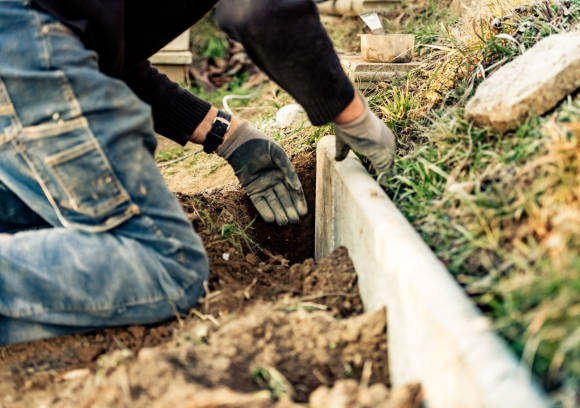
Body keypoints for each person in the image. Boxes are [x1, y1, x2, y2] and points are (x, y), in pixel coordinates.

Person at [0, 0, 396, 345]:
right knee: (166, 263)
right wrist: (349, 112)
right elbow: (260, 10)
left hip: (18, 44)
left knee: (32, 228)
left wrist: (227, 135)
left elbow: (105, 56)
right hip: (23, 48)